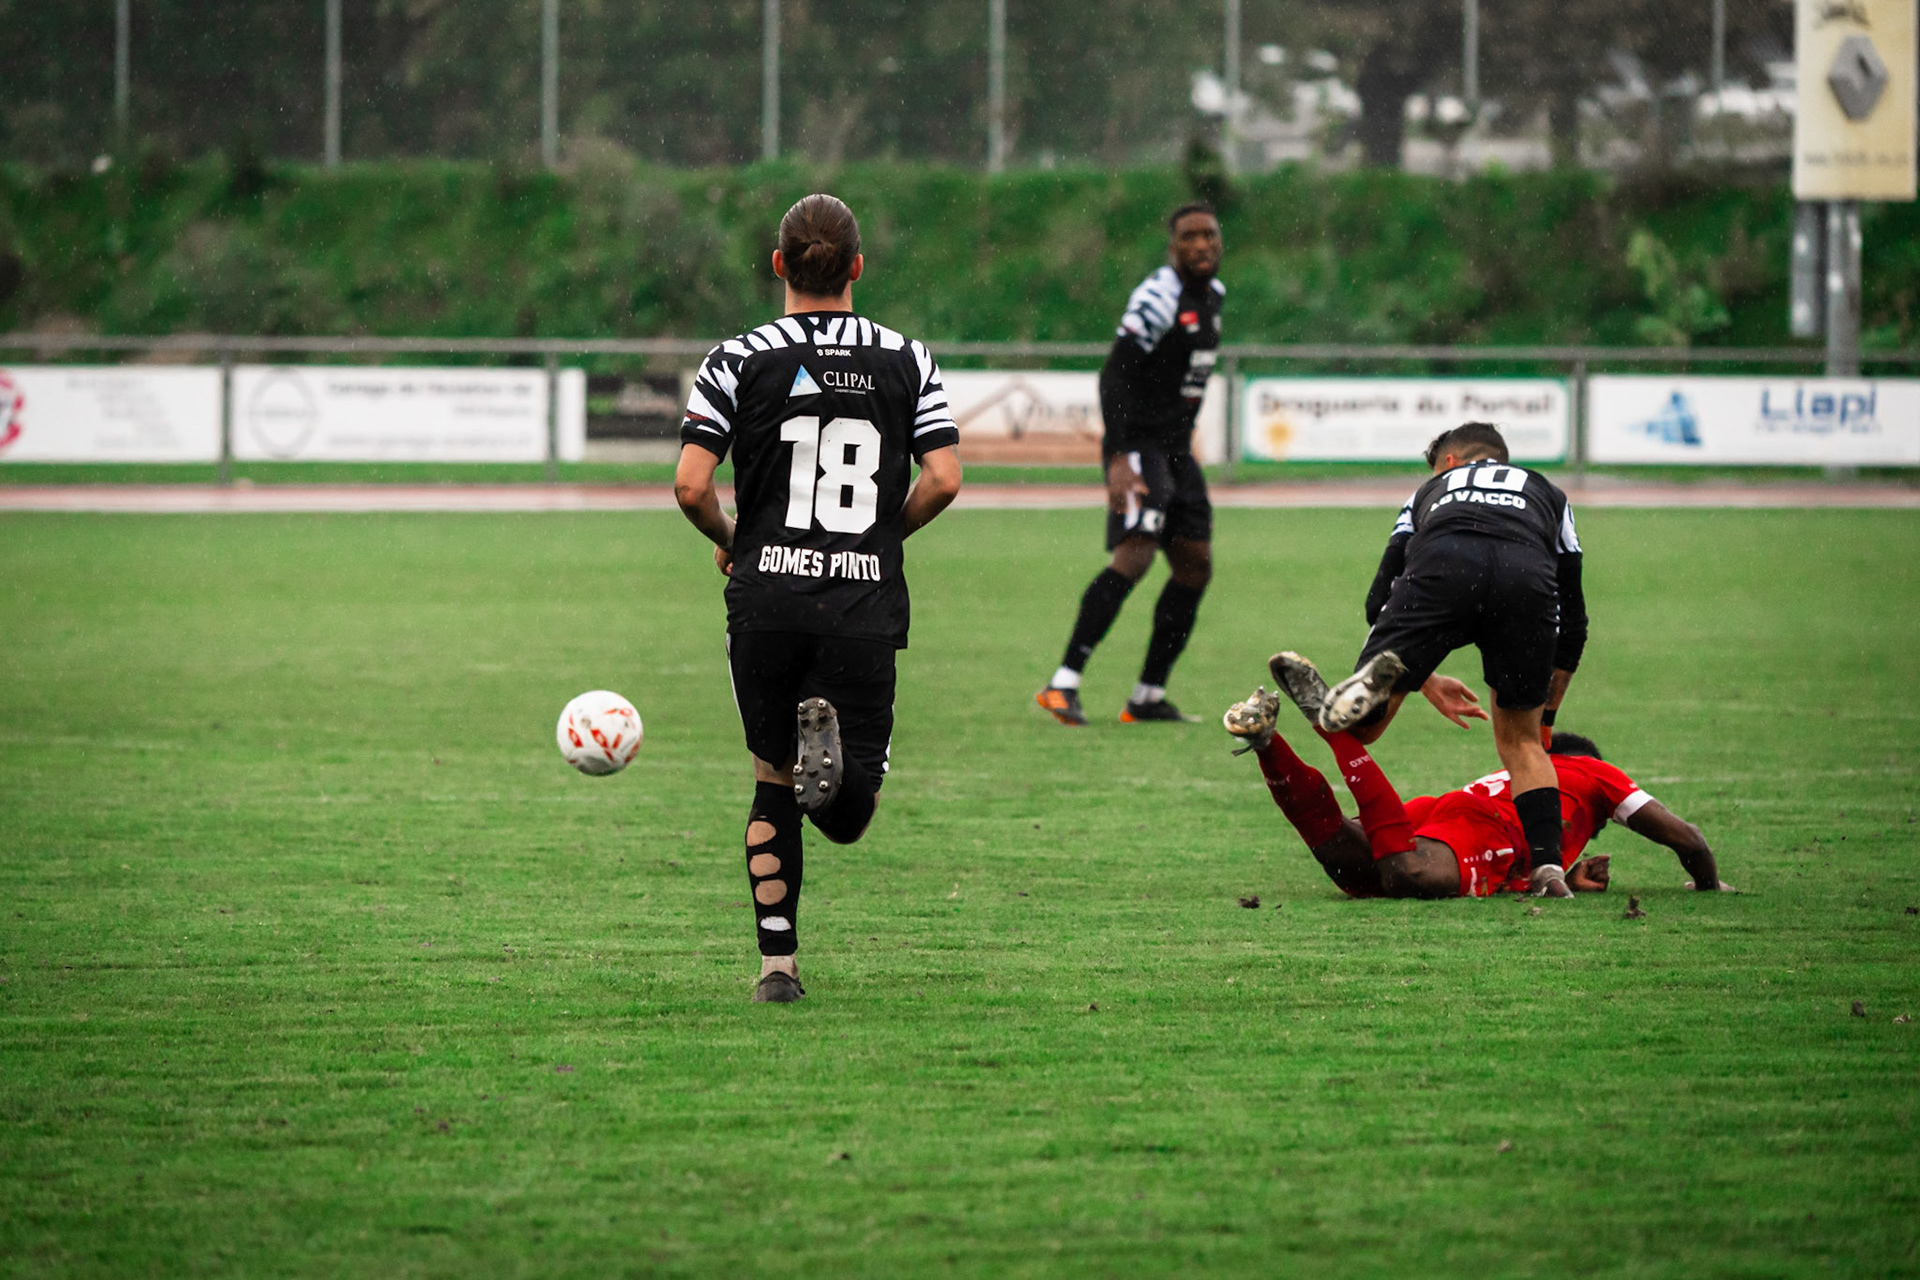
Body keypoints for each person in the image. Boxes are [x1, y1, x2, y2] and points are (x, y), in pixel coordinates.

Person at [674, 193, 963, 1003]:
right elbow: (944, 478)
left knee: (772, 779)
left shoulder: (737, 357)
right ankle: (833, 777)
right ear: (857, 268)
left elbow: (690, 485)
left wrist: (732, 540)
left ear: (778, 267)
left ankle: (776, 968)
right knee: (849, 811)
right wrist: (882, 534)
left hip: (764, 596)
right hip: (861, 600)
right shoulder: (908, 359)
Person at [1277, 422, 1588, 896]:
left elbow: (1378, 597)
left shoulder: (1431, 490)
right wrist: (1546, 715)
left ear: (1449, 462)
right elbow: (1575, 615)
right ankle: (1548, 869)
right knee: (1521, 745)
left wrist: (1418, 674)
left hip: (1445, 566)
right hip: (1525, 582)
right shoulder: (1548, 492)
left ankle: (1373, 688)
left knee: (1365, 728)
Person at [1221, 678, 1730, 899]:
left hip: (1441, 814)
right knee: (1406, 874)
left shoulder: (1513, 782)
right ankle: (1331, 730)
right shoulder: (1593, 773)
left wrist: (1569, 877)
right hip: (1479, 831)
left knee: (1345, 853)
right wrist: (1707, 882)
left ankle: (1267, 743)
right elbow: (1688, 838)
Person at [1035, 203, 1224, 726]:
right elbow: (1114, 374)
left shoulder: (1214, 298)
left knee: (1194, 566)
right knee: (1135, 556)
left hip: (1176, 451)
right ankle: (1062, 683)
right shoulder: (1157, 297)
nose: (1202, 244)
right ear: (1173, 247)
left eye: (1210, 235)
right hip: (1139, 444)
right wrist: (1118, 456)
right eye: (1190, 237)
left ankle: (1146, 696)